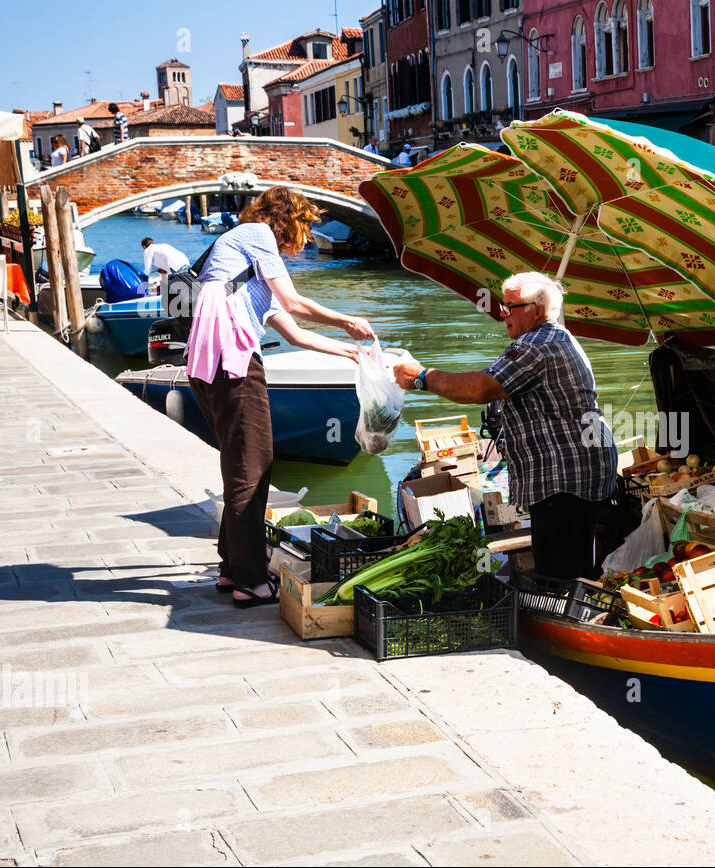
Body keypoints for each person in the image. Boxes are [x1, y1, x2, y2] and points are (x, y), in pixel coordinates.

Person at [185, 186, 376, 608]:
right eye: (303, 228)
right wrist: (348, 320)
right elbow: (295, 301)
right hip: (232, 361)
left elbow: (296, 333)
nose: (300, 241)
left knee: (243, 464)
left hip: (208, 364)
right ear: (288, 220)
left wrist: (355, 353)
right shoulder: (256, 233)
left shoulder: (246, 274)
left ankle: (230, 569)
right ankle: (251, 581)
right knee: (252, 470)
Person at [392, 272, 617, 579]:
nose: (502, 313)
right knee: (571, 561)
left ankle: (568, 619)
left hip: (564, 474)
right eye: (502, 304)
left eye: (511, 306)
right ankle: (571, 612)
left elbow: (480, 388)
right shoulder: (547, 338)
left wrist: (423, 377)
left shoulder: (537, 344)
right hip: (573, 468)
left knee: (560, 570)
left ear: (537, 310)